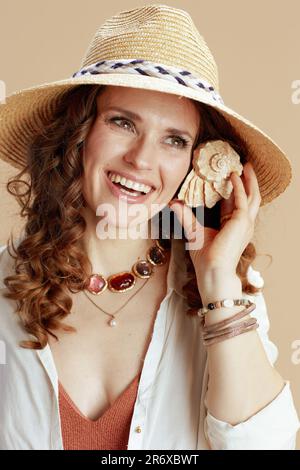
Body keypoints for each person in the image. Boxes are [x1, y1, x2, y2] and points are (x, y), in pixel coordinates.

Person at [0, 4, 299, 450]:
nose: (141, 160)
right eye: (123, 122)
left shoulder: (226, 293)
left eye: (174, 140)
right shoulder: (5, 287)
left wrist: (217, 281)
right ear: (78, 134)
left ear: (196, 163)